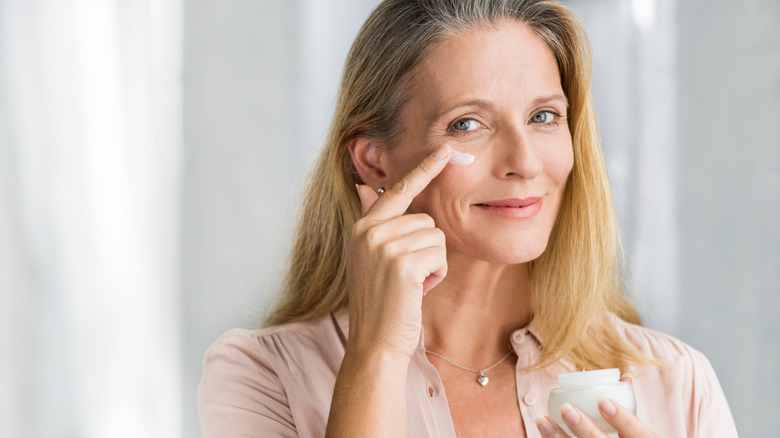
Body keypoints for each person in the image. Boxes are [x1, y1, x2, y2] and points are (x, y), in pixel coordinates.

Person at [198, 0, 738, 436]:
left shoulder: (678, 384)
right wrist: (377, 354)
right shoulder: (264, 377)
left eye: (543, 116)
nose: (525, 163)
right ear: (374, 160)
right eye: (468, 124)